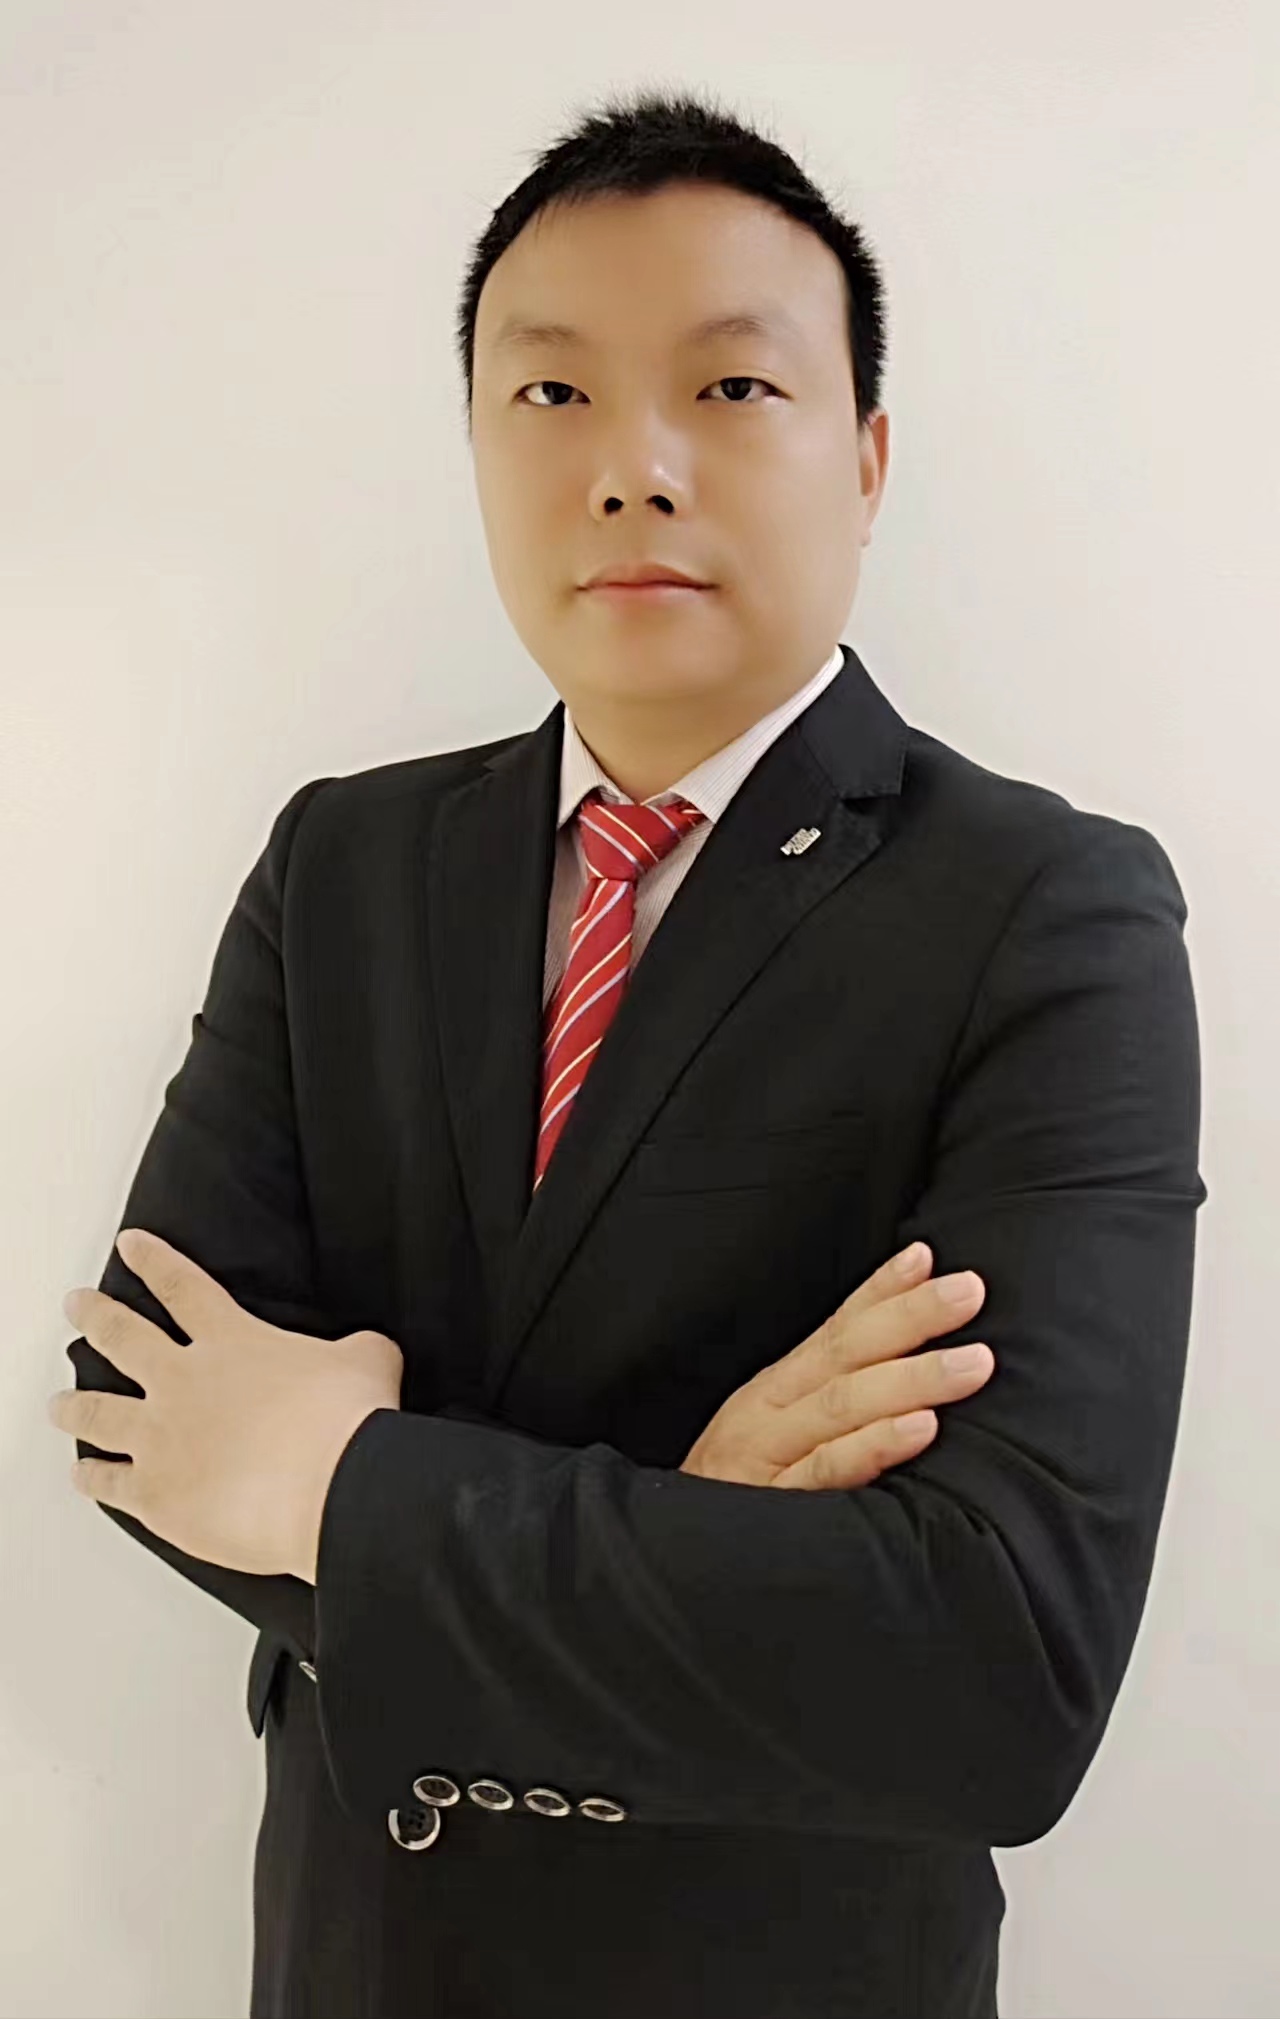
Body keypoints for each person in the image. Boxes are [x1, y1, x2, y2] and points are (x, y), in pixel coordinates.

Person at [55, 84, 1207, 2019]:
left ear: (867, 456)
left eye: (732, 388)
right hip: (358, 1955)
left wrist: (344, 1485)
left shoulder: (1048, 911)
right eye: (553, 392)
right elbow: (146, 1406)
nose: (634, 467)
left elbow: (999, 1669)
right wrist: (694, 1512)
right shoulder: (343, 861)